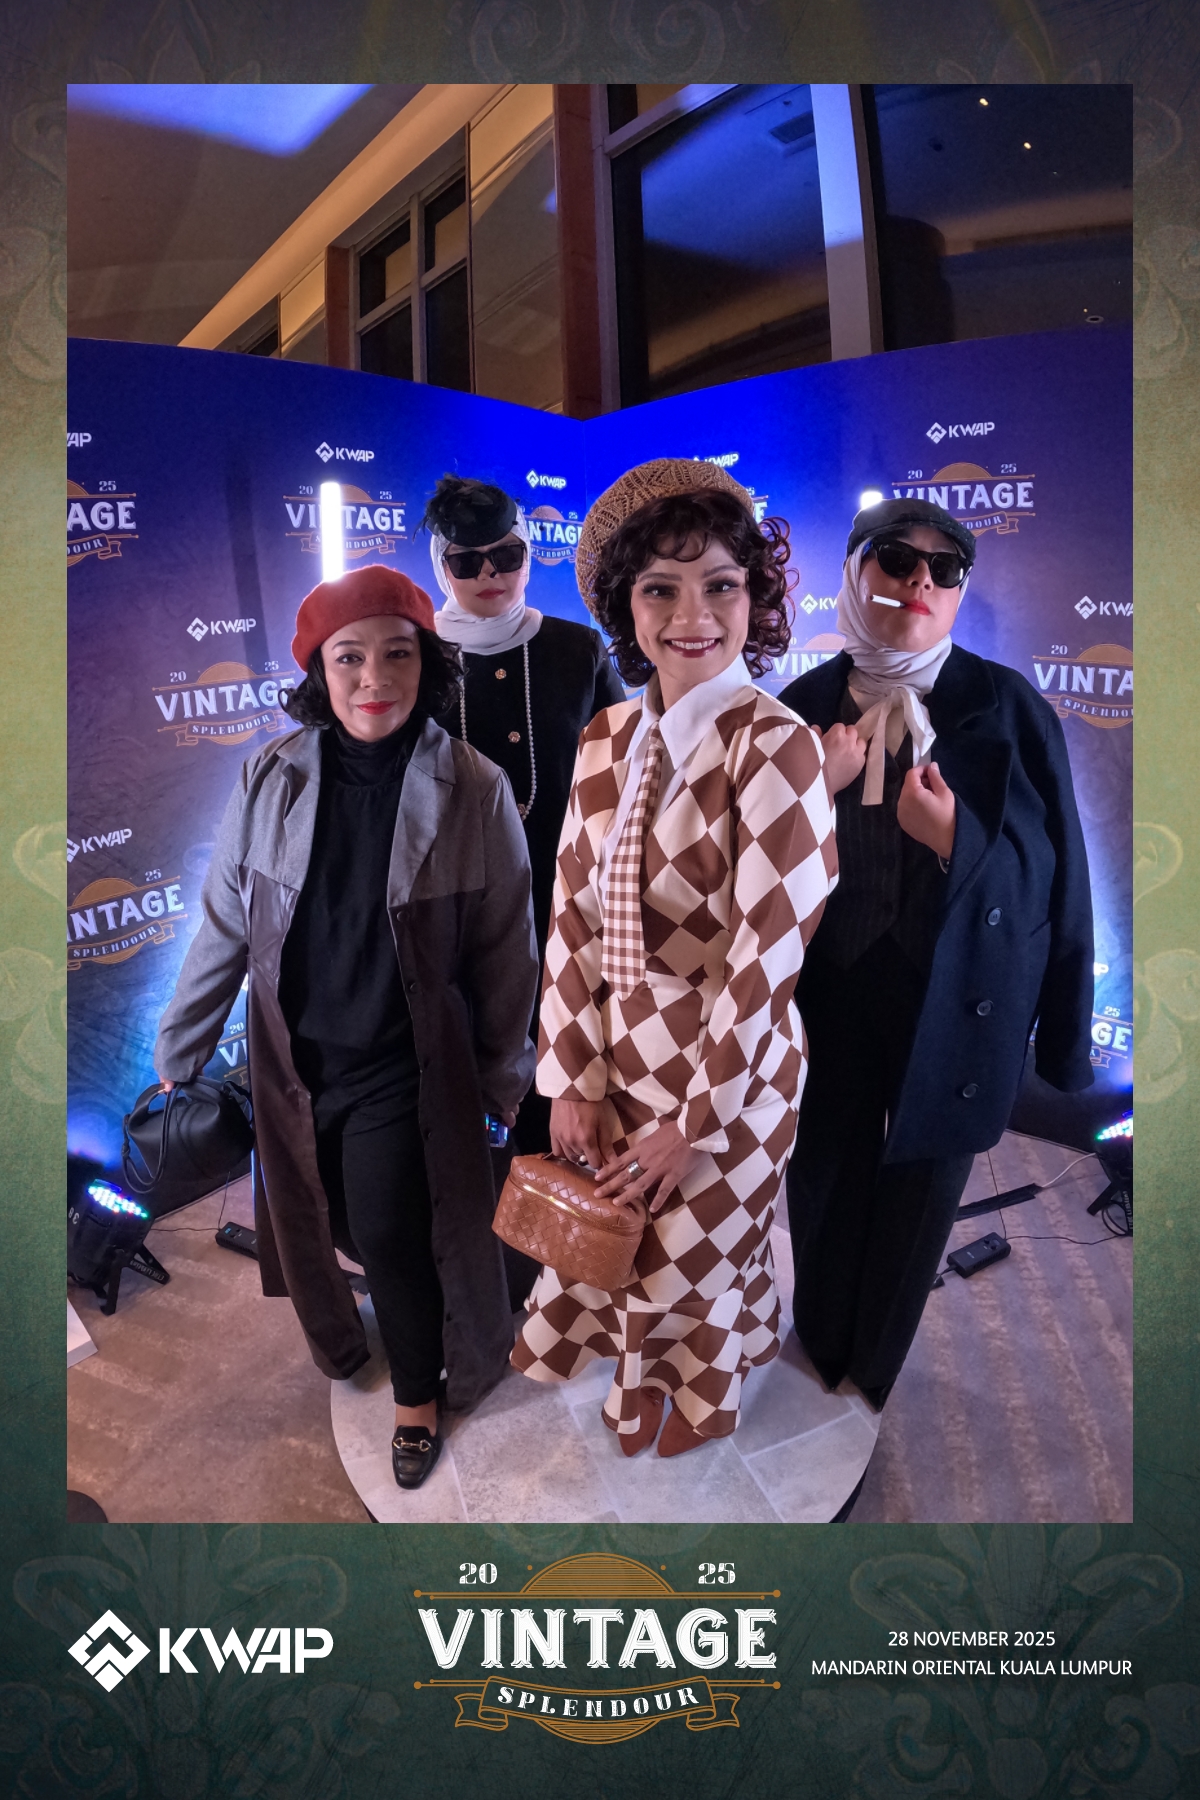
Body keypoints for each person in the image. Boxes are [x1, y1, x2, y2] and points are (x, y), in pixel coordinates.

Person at [154, 564, 539, 1489]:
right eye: (350, 658)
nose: (375, 678)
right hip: (292, 1061)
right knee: (321, 1217)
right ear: (318, 672)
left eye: (398, 655)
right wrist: (182, 1045)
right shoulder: (269, 775)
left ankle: (417, 1394)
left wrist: (502, 1081)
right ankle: (378, 1324)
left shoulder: (472, 785)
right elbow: (227, 923)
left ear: (428, 664)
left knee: (390, 1228)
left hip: (400, 1063)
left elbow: (506, 951)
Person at [510, 459, 837, 1457]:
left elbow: (764, 961)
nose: (693, 616)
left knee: (693, 1260)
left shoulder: (777, 745)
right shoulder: (607, 735)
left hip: (728, 1070)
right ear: (625, 605)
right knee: (620, 1249)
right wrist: (570, 1077)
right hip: (618, 1054)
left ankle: (694, 1398)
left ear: (755, 597)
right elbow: (570, 918)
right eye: (660, 588)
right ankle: (640, 1384)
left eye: (720, 585)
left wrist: (697, 1124)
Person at [778, 497, 1095, 1412]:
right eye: (894, 557)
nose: (920, 578)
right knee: (824, 1172)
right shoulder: (796, 710)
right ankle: (821, 1342)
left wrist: (959, 841)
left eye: (944, 568)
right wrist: (812, 792)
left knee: (921, 1195)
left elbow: (1056, 872)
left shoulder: (1009, 706)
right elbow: (746, 870)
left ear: (957, 593)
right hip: (828, 988)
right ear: (854, 573)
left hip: (955, 993)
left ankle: (869, 1375)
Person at [423, 477, 625, 1143]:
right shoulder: (416, 659)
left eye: (506, 556)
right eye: (466, 562)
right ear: (441, 568)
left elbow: (625, 769)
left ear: (529, 558)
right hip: (458, 904)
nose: (490, 574)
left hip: (571, 897)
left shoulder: (577, 649)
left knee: (566, 1086)